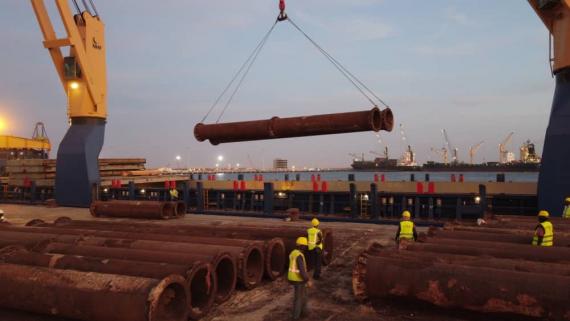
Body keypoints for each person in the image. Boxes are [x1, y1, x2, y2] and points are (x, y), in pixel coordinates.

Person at [288, 237, 311, 320]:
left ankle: (304, 312)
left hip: (292, 278)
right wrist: (307, 280)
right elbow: (301, 270)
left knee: (303, 295)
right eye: (304, 246)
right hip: (298, 279)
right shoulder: (299, 256)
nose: (305, 247)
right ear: (301, 246)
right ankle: (295, 316)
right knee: (298, 298)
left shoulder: (293, 253)